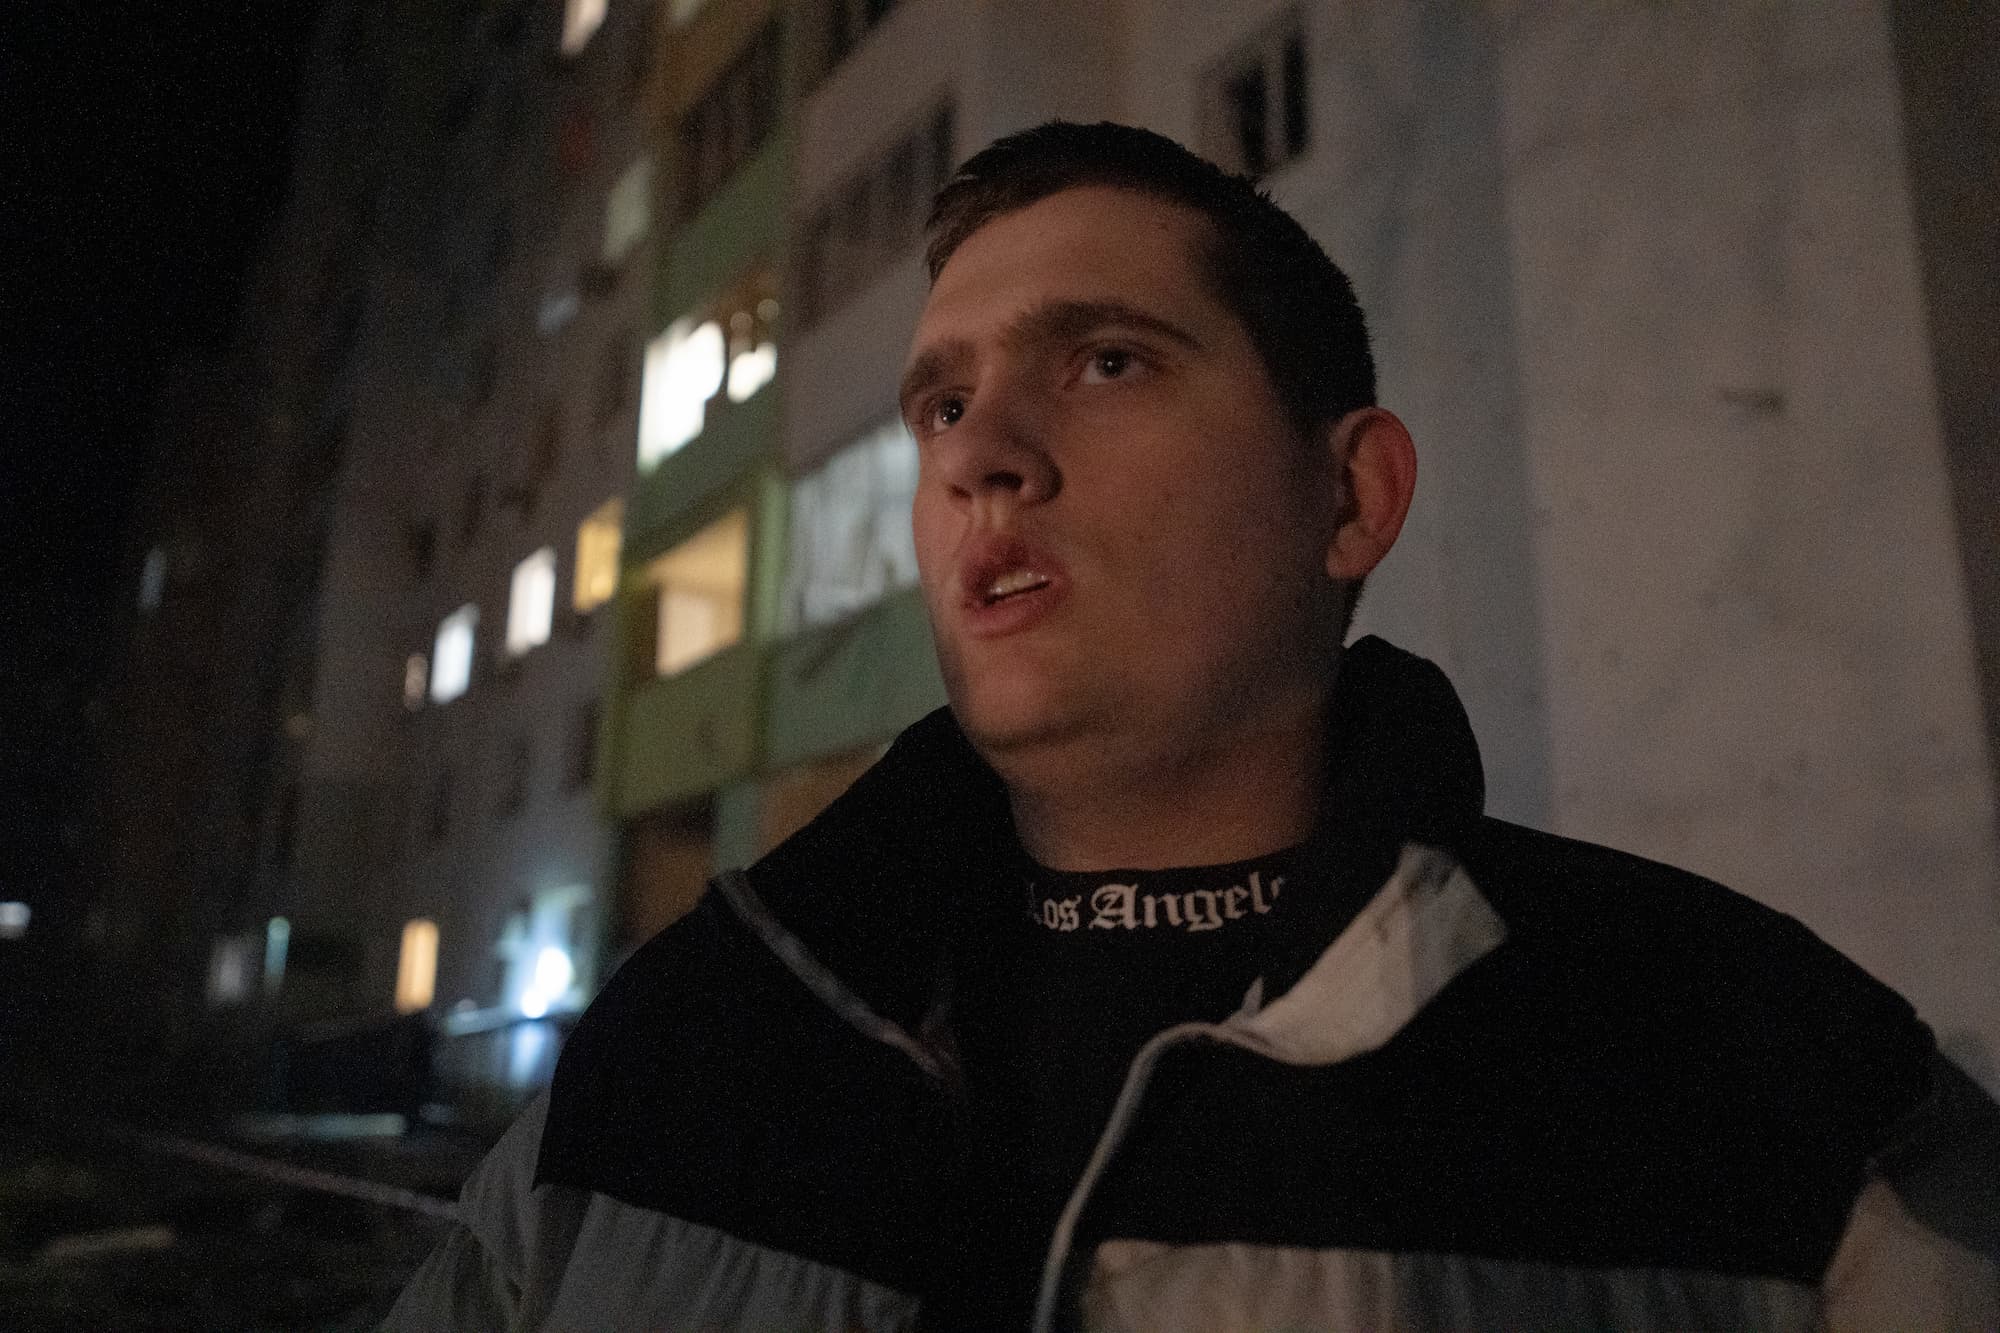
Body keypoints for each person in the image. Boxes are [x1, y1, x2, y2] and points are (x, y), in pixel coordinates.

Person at [385, 122, 1998, 1331]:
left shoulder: (1767, 1092)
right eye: (943, 403)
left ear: (1349, 496)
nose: (982, 454)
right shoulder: (670, 1061)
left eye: (1106, 360)